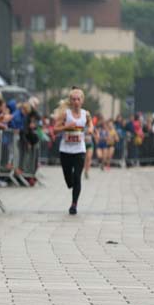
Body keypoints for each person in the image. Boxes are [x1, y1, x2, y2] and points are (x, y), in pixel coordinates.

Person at [55, 87, 92, 215]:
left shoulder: (85, 114)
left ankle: (74, 204)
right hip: (65, 150)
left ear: (82, 101)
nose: (76, 101)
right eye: (73, 99)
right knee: (69, 180)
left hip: (79, 150)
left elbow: (90, 123)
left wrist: (91, 129)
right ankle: (70, 182)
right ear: (70, 101)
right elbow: (55, 129)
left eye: (78, 99)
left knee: (77, 177)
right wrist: (66, 127)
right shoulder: (66, 114)